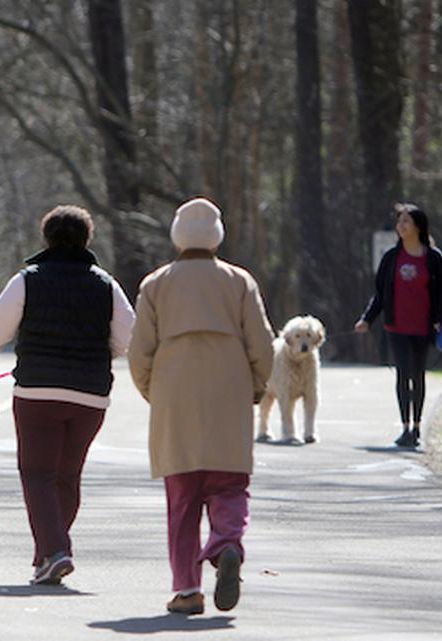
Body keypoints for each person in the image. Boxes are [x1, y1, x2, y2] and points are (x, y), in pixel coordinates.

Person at [0, 205, 135, 585]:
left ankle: (55, 551)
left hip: (37, 394)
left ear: (46, 237)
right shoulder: (106, 284)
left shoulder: (28, 280)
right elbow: (128, 340)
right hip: (91, 395)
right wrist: (93, 352)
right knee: (67, 476)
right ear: (87, 239)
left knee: (37, 475)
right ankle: (49, 556)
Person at [128, 197, 275, 616]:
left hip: (175, 396)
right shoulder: (238, 281)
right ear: (217, 236)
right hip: (228, 390)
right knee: (229, 485)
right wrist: (257, 384)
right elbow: (262, 344)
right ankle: (227, 542)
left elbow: (139, 353)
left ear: (177, 235)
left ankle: (187, 589)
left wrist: (154, 393)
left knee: (182, 499)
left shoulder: (156, 284)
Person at [354, 203, 442, 448]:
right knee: (402, 374)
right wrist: (367, 319)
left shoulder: (433, 257)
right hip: (396, 327)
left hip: (424, 327)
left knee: (418, 375)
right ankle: (405, 427)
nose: (401, 226)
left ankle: (417, 427)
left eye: (406, 222)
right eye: (399, 222)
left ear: (417, 226)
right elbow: (380, 294)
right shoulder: (391, 258)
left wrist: (441, 321)